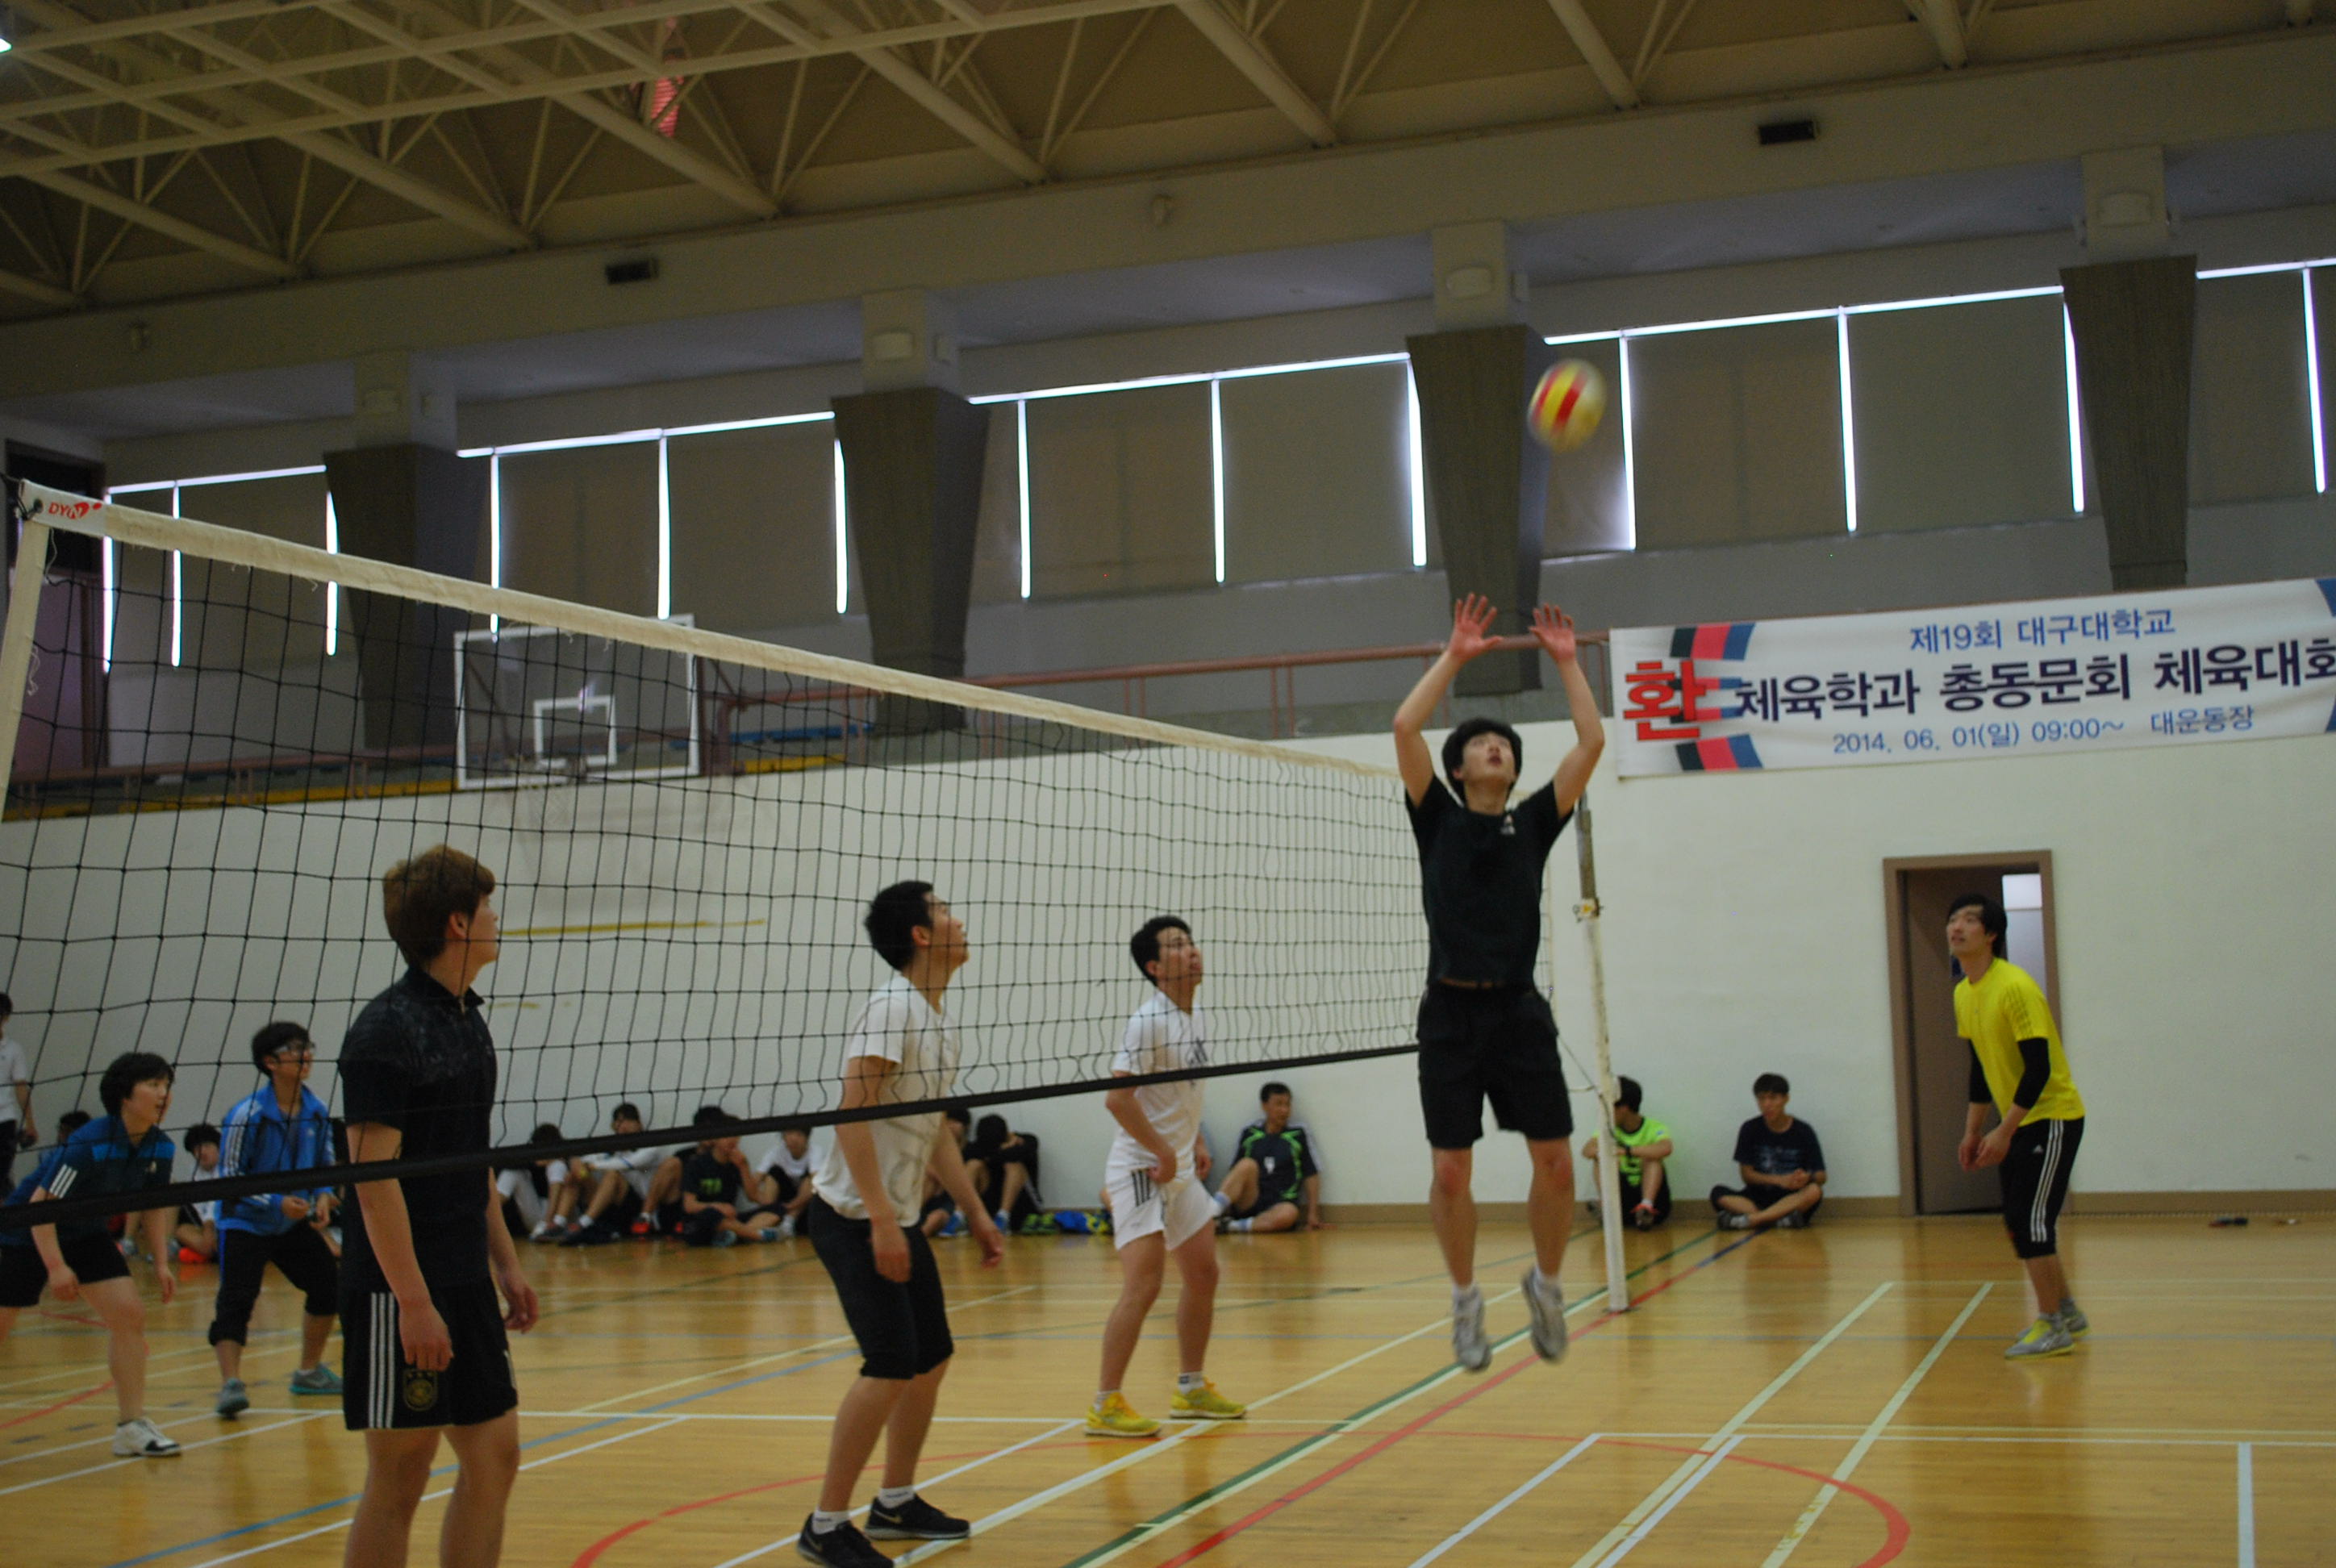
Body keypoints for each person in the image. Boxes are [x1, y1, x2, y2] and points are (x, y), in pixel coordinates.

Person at [1392, 593, 1603, 1372]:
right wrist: (1454, 656)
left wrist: (1567, 662)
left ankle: (1547, 1286)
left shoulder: (1536, 821)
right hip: (1449, 1014)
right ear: (1458, 768)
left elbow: (1591, 741)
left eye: (1505, 746)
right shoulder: (1437, 818)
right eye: (1482, 744)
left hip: (1519, 1012)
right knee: (1451, 1171)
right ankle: (1464, 1301)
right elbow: (1404, 728)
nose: (1496, 750)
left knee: (1556, 1164)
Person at [338, 844, 538, 1568]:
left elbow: (470, 1158)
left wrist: (506, 1265)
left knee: (495, 1455)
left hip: (464, 1274)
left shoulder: (465, 1018)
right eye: (487, 907)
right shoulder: (383, 1033)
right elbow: (373, 1182)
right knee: (402, 1473)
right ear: (458, 923)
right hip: (397, 1287)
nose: (496, 917)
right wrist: (414, 1303)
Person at [799, 882, 1003, 1567]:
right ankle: (826, 1525)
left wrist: (976, 1212)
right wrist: (883, 1221)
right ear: (920, 934)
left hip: (893, 1217)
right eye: (944, 909)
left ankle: (894, 1502)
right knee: (888, 1364)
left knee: (931, 1357)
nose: (958, 918)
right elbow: (850, 1115)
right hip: (852, 1217)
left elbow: (935, 1130)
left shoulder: (934, 1015)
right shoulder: (891, 1008)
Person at [1089, 916, 1247, 1440]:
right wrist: (1161, 1150)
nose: (1192, 951)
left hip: (1176, 1166)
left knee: (1203, 1274)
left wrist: (1194, 1141)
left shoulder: (1195, 1017)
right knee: (1145, 1285)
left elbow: (1180, 1094)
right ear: (1155, 967)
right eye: (1177, 946)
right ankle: (1105, 1403)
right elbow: (1118, 1100)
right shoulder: (1149, 1021)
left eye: (1191, 942)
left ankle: (1191, 1388)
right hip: (1143, 1168)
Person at [0, 1050, 183, 1457]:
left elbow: (153, 1206)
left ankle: (131, 1426)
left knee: (129, 1315)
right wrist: (56, 1267)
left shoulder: (161, 1148)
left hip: (85, 1233)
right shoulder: (89, 1143)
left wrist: (161, 1262)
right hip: (26, 1231)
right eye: (153, 1085)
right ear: (125, 1096)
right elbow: (41, 1206)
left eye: (167, 1085)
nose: (163, 1094)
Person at [1949, 891, 2089, 1362]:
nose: (1957, 927)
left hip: (2051, 1117)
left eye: (1970, 920)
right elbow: (1979, 1067)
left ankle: (2051, 1326)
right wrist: (1973, 1131)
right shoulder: (1964, 993)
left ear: (1991, 934)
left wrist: (2004, 1131)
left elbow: (2039, 1068)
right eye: (1953, 919)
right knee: (2020, 1220)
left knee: (2031, 1221)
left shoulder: (2015, 986)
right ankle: (2066, 1311)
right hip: (2018, 1121)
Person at [211, 1020, 344, 1419]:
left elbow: (325, 1167)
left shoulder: (316, 1111)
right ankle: (230, 1383)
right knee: (237, 1299)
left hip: (290, 1223)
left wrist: (323, 1198)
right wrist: (275, 1202)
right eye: (295, 1049)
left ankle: (308, 1372)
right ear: (270, 1062)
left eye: (308, 1047)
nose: (306, 1056)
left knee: (329, 1286)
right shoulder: (247, 1115)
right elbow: (230, 1179)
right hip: (245, 1221)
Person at [1712, 1074, 1826, 1230]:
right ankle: (1779, 1220)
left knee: (1814, 1191)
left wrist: (1807, 1177)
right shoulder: (1750, 1128)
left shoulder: (1804, 1131)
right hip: (1757, 1197)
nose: (1767, 1104)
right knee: (1718, 1193)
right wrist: (1779, 1180)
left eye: (1773, 1098)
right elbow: (1747, 1175)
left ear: (1786, 1099)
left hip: (1790, 1198)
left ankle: (1753, 1220)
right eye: (1761, 1099)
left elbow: (1821, 1176)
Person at [562, 1103, 683, 1245]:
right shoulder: (616, 1149)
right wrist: (578, 1162)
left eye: (627, 1120)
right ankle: (564, 1223)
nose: (623, 1126)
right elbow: (591, 1158)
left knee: (672, 1163)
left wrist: (592, 1166)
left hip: (659, 1205)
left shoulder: (651, 1144)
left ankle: (643, 1218)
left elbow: (631, 1163)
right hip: (630, 1206)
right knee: (580, 1175)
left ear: (638, 1124)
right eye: (618, 1122)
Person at [1211, 1082, 1322, 1234]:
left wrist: (1312, 1214)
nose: (1284, 1110)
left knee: (1289, 1214)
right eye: (1279, 1104)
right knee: (1246, 1164)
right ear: (1264, 1106)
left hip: (1280, 1204)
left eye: (1287, 1104)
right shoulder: (1250, 1133)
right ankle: (1209, 1215)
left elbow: (1311, 1174)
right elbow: (1235, 1173)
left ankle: (1228, 1226)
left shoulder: (1299, 1134)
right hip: (1251, 1199)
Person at [1579, 1076, 1673, 1230]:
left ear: (1623, 1108)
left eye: (1609, 1107)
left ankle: (1646, 1208)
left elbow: (1666, 1148)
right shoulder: (1608, 1129)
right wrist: (1604, 1153)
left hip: (1656, 1203)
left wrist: (1627, 1151)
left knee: (1652, 1158)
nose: (1605, 1112)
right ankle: (1607, 1206)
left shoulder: (1654, 1127)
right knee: (1601, 1159)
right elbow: (1587, 1150)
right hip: (1621, 1201)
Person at [678, 1112, 784, 1247]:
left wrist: (744, 1167)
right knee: (711, 1215)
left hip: (728, 1220)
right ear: (715, 1138)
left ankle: (734, 1235)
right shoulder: (697, 1164)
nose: (732, 1140)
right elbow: (689, 1206)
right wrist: (718, 1207)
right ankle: (758, 1235)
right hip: (699, 1223)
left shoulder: (737, 1163)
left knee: (777, 1208)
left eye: (735, 1135)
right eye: (726, 1135)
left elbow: (753, 1196)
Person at [966, 1114, 1043, 1232]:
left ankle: (1004, 1216)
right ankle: (959, 1216)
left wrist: (994, 1154)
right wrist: (1003, 1148)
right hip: (992, 1209)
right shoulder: (981, 1145)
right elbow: (968, 1154)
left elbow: (1014, 1155)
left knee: (1012, 1165)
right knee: (974, 1164)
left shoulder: (1027, 1140)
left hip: (1025, 1208)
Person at [495, 1124, 572, 1241]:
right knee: (512, 1173)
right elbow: (507, 1163)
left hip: (564, 1215)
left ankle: (550, 1223)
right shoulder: (534, 1158)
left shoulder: (567, 1154)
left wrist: (557, 1160)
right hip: (538, 1215)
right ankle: (487, 1216)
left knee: (557, 1165)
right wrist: (536, 1163)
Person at [756, 1126, 818, 1239]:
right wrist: (764, 1202)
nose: (793, 1139)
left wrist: (790, 1207)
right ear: (783, 1136)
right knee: (774, 1172)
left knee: (812, 1179)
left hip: (805, 1207)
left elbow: (816, 1187)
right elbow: (755, 1182)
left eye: (799, 1134)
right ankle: (769, 1217)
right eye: (789, 1133)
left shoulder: (816, 1152)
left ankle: (788, 1222)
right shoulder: (775, 1153)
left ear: (807, 1137)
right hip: (781, 1204)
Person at [174, 1123, 223, 1262]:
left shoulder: (227, 1168)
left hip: (225, 1224)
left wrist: (208, 1228)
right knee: (181, 1230)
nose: (202, 1152)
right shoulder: (195, 1172)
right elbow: (199, 1208)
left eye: (207, 1146)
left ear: (218, 1147)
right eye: (196, 1149)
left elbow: (215, 1203)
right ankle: (207, 1250)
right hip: (204, 1226)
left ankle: (205, 1252)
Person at [0, 993, 32, 1188]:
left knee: (2, 1176)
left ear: (6, 1017)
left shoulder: (13, 1049)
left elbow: (21, 1086)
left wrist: (30, 1123)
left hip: (5, 1121)